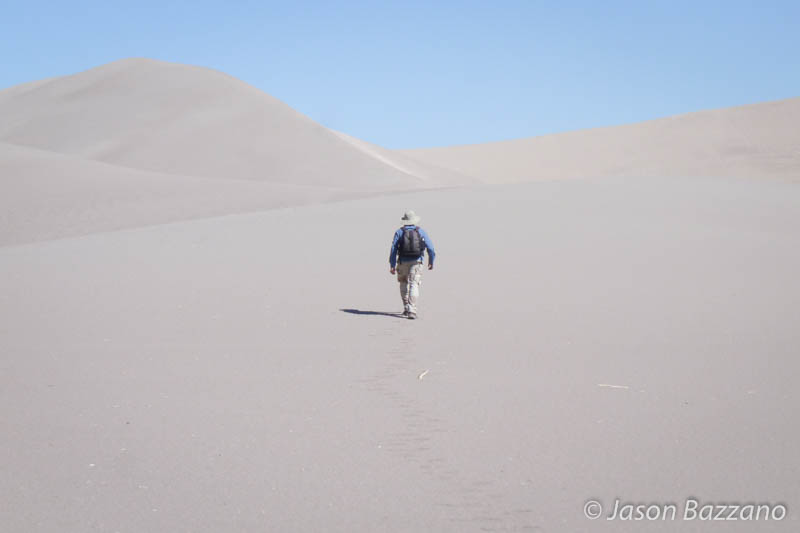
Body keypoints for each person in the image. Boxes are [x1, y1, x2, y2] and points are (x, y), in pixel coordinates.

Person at [389, 210, 435, 319]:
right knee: (414, 284)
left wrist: (392, 264)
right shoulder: (421, 231)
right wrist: (431, 261)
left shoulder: (399, 232)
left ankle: (406, 307)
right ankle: (412, 310)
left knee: (403, 283)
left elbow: (393, 249)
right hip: (417, 261)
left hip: (402, 262)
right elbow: (431, 248)